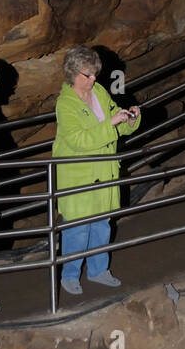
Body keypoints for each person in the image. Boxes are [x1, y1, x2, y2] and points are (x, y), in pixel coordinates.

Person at [53, 46, 140, 295]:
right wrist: (111, 124)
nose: (93, 80)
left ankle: (98, 271)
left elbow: (117, 125)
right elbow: (78, 140)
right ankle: (69, 276)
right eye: (87, 75)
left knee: (102, 224)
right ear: (72, 73)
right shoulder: (65, 104)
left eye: (94, 74)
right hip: (78, 176)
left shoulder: (100, 91)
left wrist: (130, 119)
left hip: (104, 171)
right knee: (78, 229)